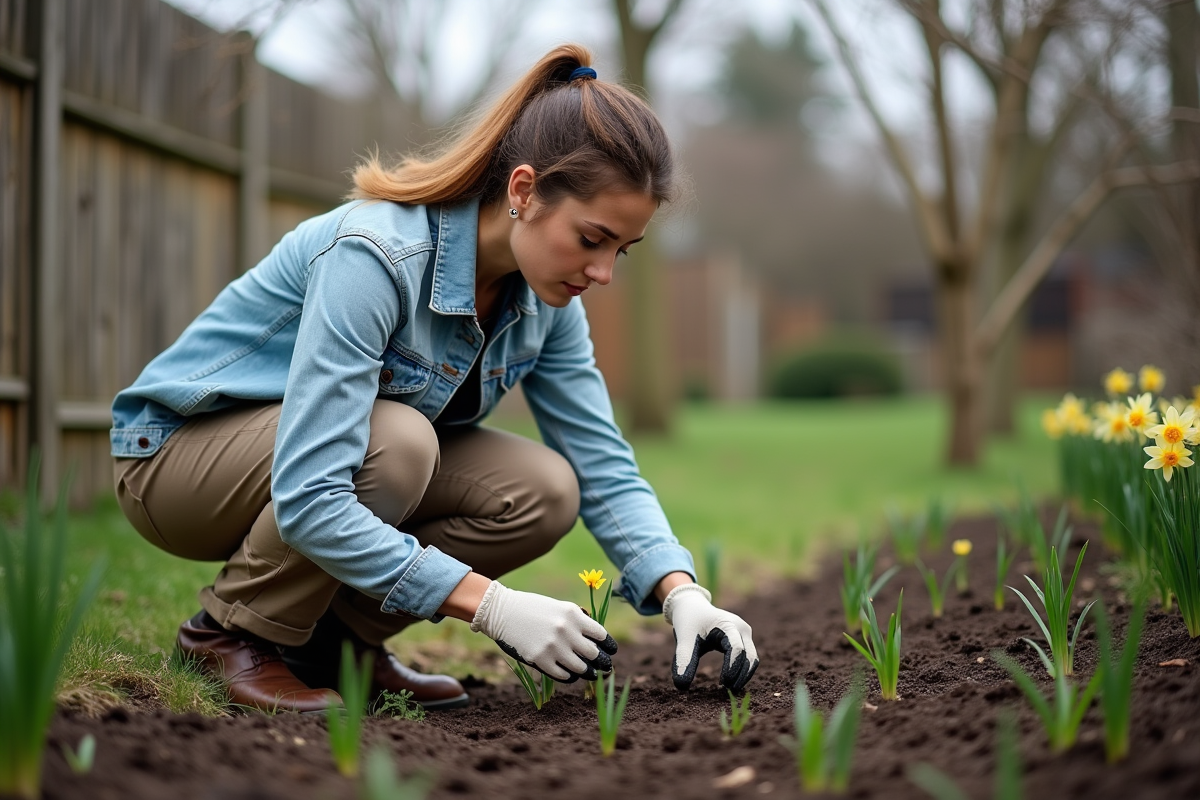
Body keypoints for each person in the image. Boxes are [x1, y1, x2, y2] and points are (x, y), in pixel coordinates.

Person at [109, 44, 759, 714]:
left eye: (621, 250)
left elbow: (600, 464)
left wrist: (683, 591)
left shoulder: (545, 299)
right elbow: (309, 496)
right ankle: (228, 635)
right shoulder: (377, 257)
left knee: (545, 490)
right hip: (176, 460)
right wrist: (491, 605)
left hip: (324, 462)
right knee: (400, 442)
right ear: (524, 191)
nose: (603, 273)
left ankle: (335, 643)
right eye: (591, 239)